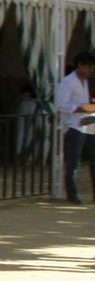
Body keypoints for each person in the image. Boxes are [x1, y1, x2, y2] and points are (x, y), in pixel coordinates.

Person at [56, 50, 95, 204]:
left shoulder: (86, 82)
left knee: (93, 160)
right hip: (75, 124)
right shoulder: (68, 82)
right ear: (80, 65)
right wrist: (80, 108)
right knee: (73, 162)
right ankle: (72, 194)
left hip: (89, 123)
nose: (90, 71)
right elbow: (61, 104)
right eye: (89, 67)